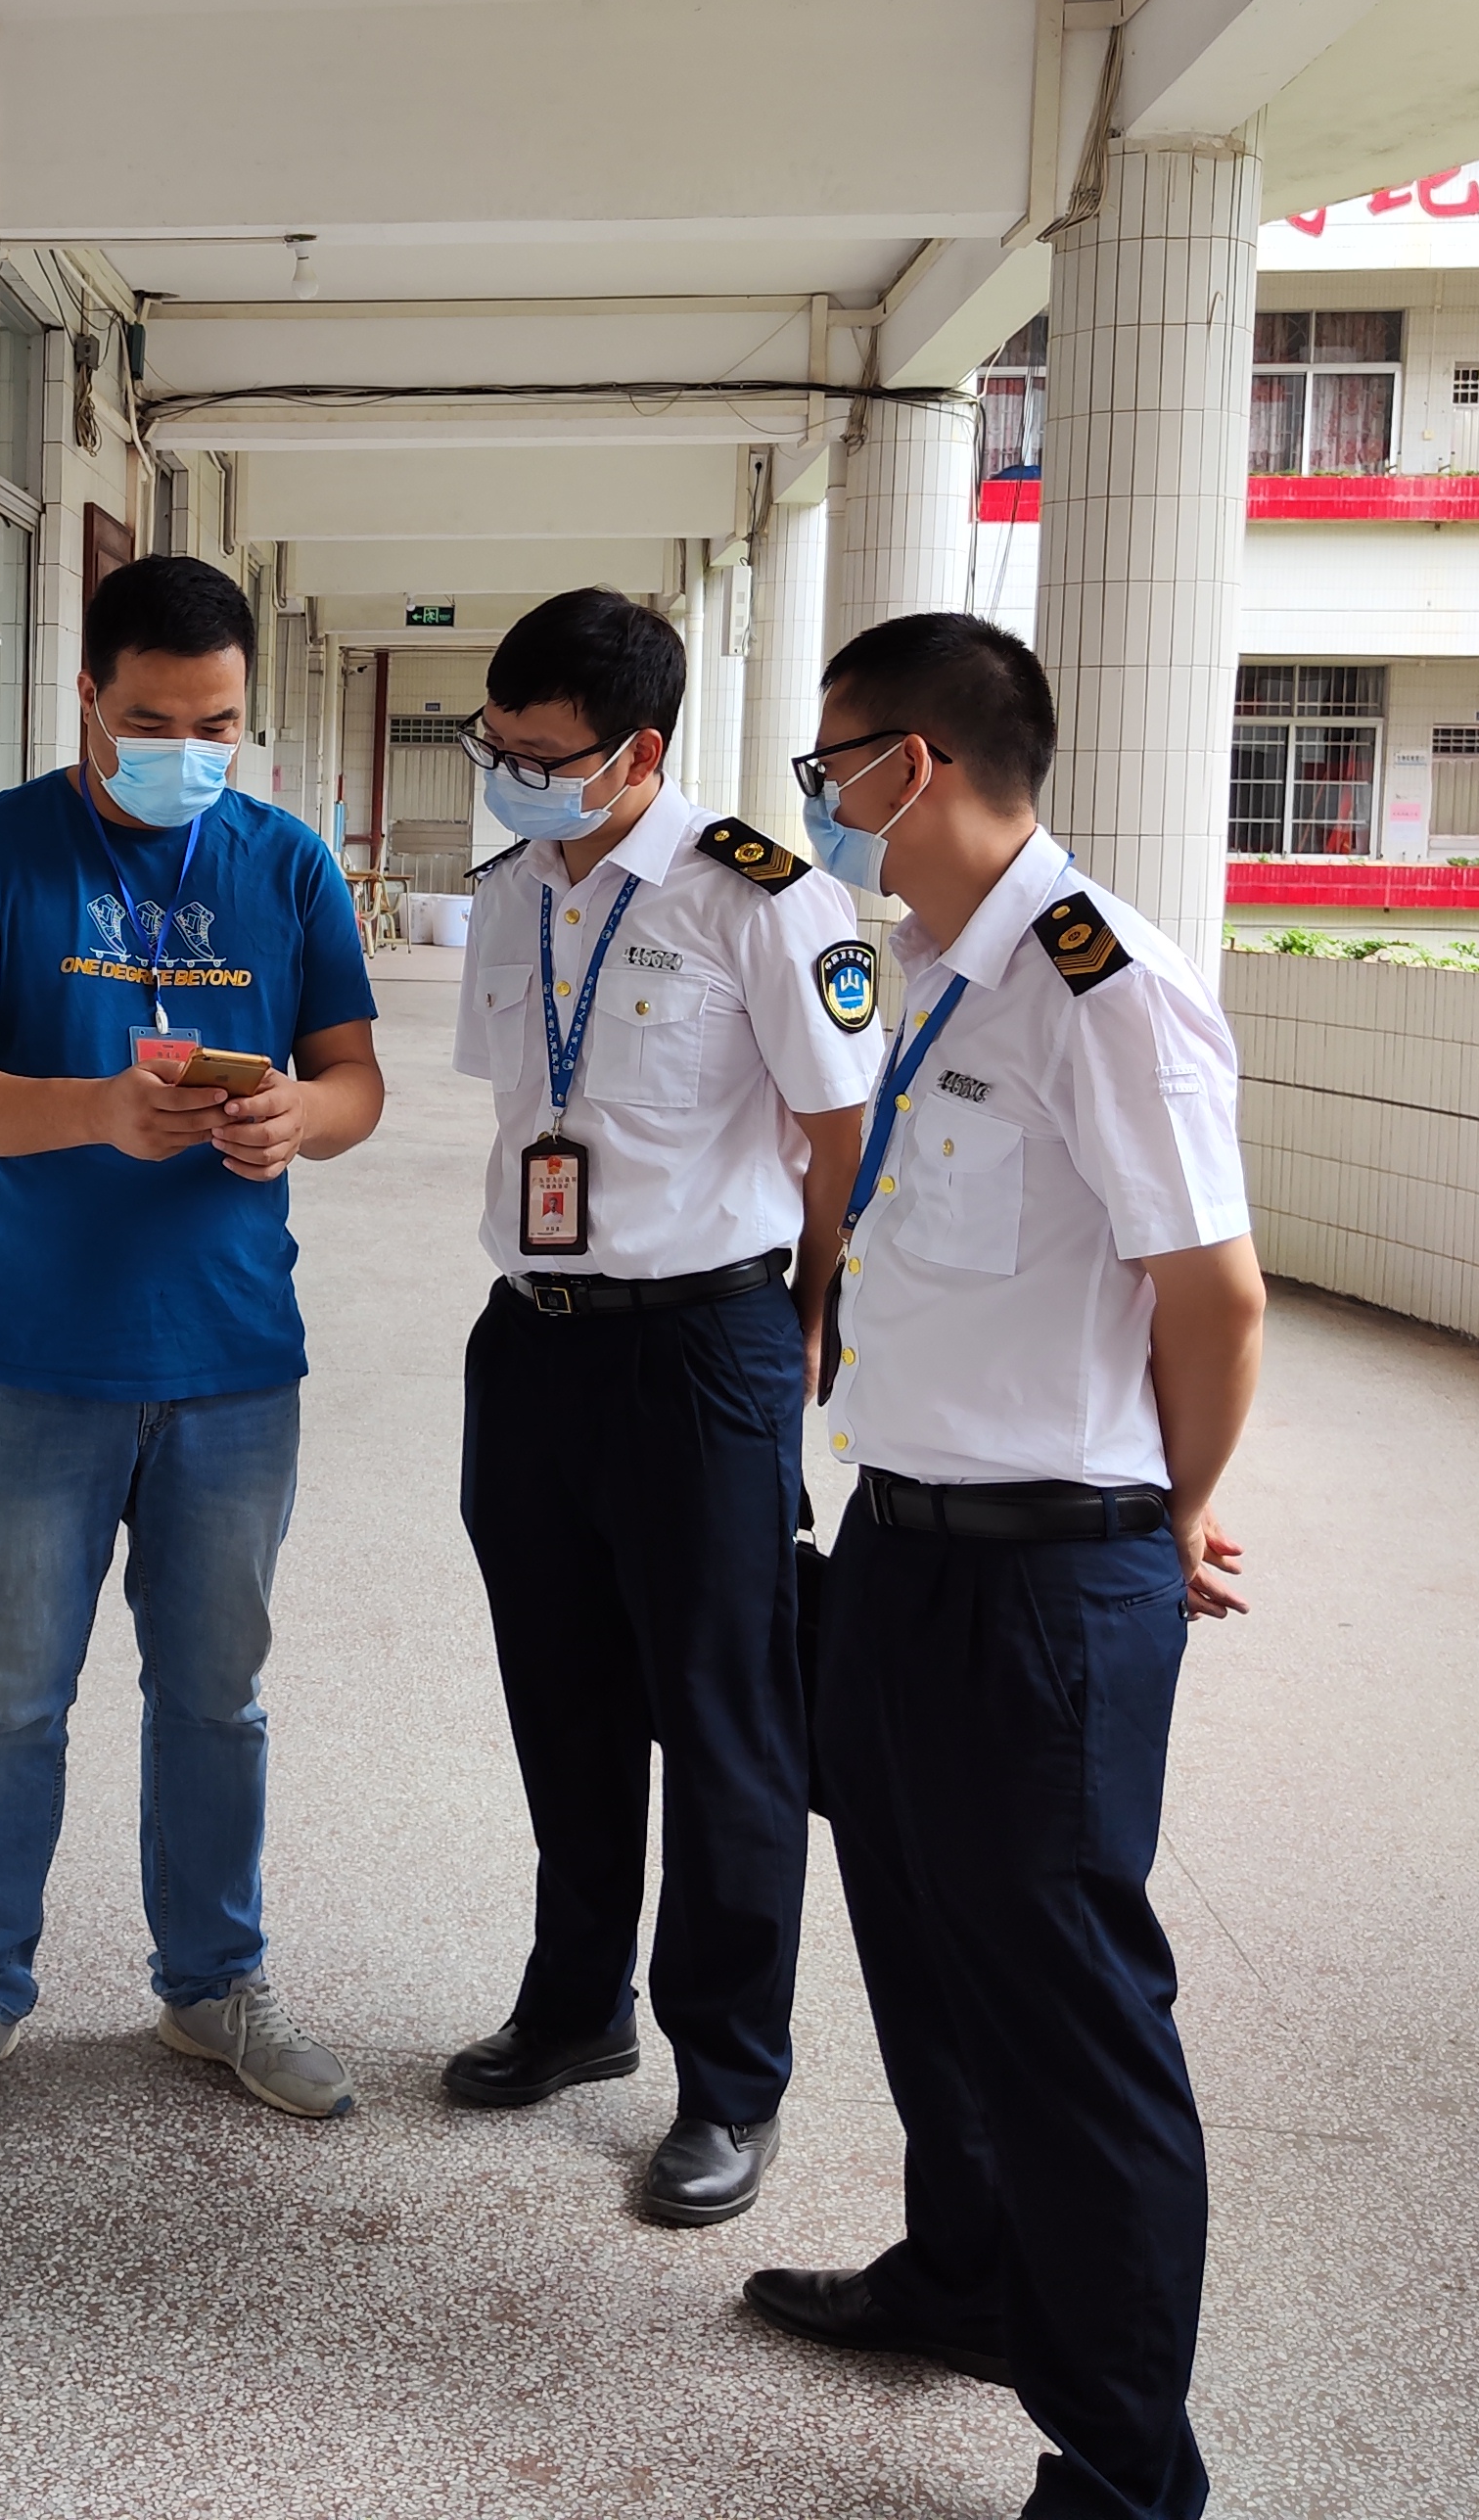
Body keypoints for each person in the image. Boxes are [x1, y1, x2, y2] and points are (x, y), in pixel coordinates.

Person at [744, 612, 1265, 2520]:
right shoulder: (942, 969)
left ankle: (1126, 2472)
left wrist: (1167, 1496)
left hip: (1050, 1578)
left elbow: (1210, 1296)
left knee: (1066, 2020)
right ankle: (962, 2275)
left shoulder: (1098, 980)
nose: (822, 801)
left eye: (834, 766)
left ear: (922, 766)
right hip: (902, 1551)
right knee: (918, 1944)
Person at [0, 552, 389, 2137]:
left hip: (234, 1360)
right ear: (89, 697)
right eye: (155, 717)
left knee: (216, 1692)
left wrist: (302, 1118)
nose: (189, 745)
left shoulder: (288, 866)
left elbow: (358, 1081)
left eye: (218, 720)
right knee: (11, 1691)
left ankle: (211, 1983)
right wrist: (97, 1111)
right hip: (34, 1357)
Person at [440, 588, 882, 2226]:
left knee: (725, 1723)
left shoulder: (764, 900)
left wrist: (814, 1324)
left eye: (541, 757)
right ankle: (575, 2009)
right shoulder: (510, 897)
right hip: (531, 1343)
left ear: (640, 752)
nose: (511, 776)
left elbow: (843, 1141)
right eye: (496, 746)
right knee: (558, 1693)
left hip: (704, 1349)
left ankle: (728, 2081)